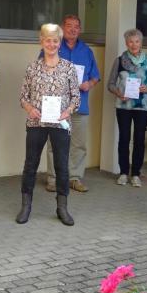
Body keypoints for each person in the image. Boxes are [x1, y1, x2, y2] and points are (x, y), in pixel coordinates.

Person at [16, 24, 80, 226]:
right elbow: (23, 97)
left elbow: (75, 98)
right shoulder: (32, 67)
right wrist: (30, 109)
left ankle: (62, 207)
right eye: (47, 40)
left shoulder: (68, 67)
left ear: (59, 43)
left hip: (61, 124)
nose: (51, 44)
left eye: (55, 40)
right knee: (30, 164)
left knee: (61, 165)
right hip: (36, 122)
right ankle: (26, 206)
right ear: (41, 41)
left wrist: (66, 112)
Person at [45, 15, 100, 193]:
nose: (73, 29)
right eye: (69, 26)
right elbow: (41, 71)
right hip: (57, 106)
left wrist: (89, 84)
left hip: (79, 105)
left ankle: (74, 178)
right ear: (62, 28)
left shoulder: (86, 51)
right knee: (55, 144)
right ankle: (53, 179)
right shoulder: (54, 46)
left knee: (78, 144)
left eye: (76, 26)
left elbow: (95, 77)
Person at [107, 29, 147, 188]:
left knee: (139, 140)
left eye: (137, 41)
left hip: (142, 106)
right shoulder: (120, 60)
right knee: (123, 138)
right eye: (130, 41)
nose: (134, 44)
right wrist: (118, 93)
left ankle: (136, 174)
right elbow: (111, 84)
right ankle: (123, 172)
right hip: (124, 105)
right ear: (126, 43)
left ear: (141, 43)